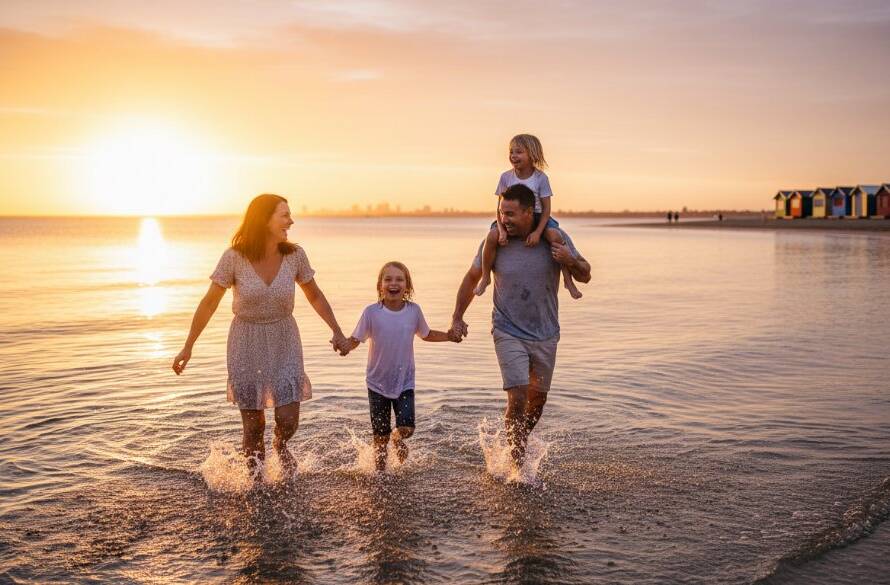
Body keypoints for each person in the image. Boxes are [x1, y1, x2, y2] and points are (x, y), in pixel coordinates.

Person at [172, 194, 349, 474]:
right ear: (264, 219)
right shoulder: (234, 258)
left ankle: (280, 445)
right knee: (253, 426)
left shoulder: (295, 256)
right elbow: (209, 303)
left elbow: (314, 295)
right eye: (284, 215)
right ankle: (255, 490)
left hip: (284, 338)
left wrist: (337, 331)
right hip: (246, 340)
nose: (291, 221)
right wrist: (188, 346)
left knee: (288, 418)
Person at [449, 184, 591, 467]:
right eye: (502, 213)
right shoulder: (495, 243)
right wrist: (457, 316)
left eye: (511, 214)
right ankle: (516, 466)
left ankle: (516, 442)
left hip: (545, 333)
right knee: (517, 397)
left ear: (530, 212)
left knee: (537, 403)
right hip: (507, 329)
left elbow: (585, 274)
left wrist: (569, 259)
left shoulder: (553, 237)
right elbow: (471, 277)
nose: (505, 220)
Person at [339, 262, 460, 471]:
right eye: (388, 279)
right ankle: (380, 474)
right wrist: (345, 347)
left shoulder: (413, 311)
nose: (393, 283)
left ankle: (397, 439)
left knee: (406, 428)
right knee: (380, 436)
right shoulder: (371, 312)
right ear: (380, 286)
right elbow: (355, 339)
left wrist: (449, 336)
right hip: (377, 382)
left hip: (405, 382)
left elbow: (427, 334)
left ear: (408, 286)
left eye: (399, 279)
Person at [474, 134, 583, 300]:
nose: (513, 156)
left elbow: (546, 210)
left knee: (556, 236)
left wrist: (538, 233)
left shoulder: (541, 178)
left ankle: (568, 281)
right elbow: (499, 208)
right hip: (511, 219)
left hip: (538, 218)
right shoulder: (506, 177)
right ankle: (486, 278)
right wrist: (502, 231)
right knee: (491, 236)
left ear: (532, 154)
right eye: (511, 152)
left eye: (519, 152)